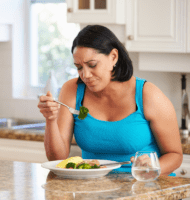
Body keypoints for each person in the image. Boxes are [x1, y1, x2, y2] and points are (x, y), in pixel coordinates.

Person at [37, 25, 183, 175]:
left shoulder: (148, 95)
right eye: (79, 67)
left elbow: (175, 155)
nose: (85, 75)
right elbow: (57, 157)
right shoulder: (72, 90)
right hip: (94, 189)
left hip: (144, 185)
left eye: (92, 65)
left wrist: (153, 168)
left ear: (113, 57)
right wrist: (51, 119)